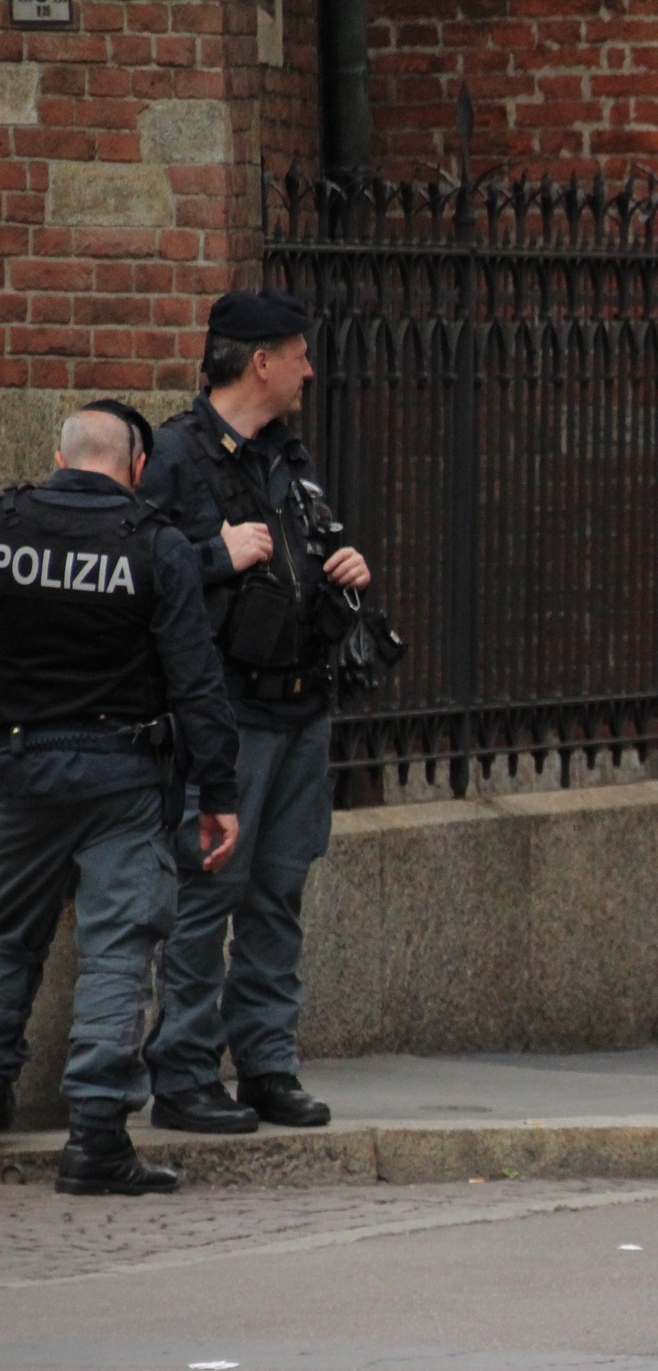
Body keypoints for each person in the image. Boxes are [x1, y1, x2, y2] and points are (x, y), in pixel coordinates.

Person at [142, 289, 373, 1135]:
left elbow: (303, 552)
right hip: (227, 713)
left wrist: (338, 563)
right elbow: (142, 575)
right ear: (261, 361)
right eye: (300, 353)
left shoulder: (287, 453)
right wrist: (216, 553)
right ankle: (184, 1072)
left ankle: (267, 1064)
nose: (311, 369)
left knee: (279, 892)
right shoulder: (176, 453)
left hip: (301, 705)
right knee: (209, 893)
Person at [0, 404, 242, 1193]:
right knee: (116, 951)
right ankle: (96, 1136)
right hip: (122, 774)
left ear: (56, 456)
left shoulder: (6, 527)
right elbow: (195, 678)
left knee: (6, 938)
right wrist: (218, 789)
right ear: (138, 468)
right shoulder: (157, 545)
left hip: (17, 764)